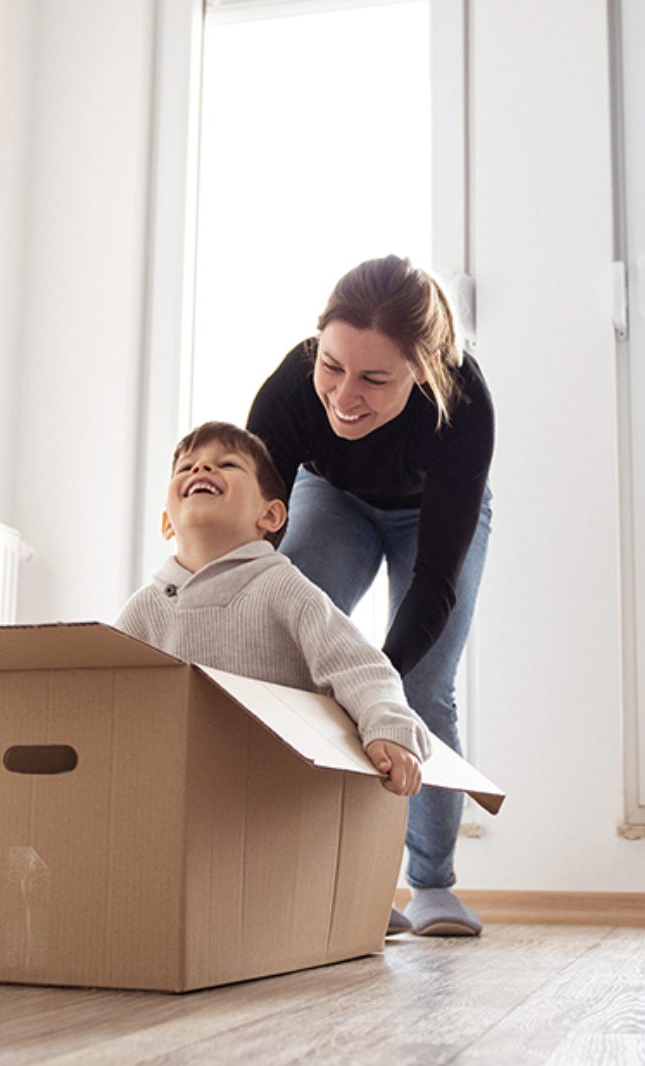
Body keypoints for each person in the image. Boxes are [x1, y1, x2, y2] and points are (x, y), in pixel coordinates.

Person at [247, 255, 495, 937]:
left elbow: (436, 582)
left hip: (432, 515)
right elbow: (248, 544)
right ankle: (336, 877)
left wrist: (377, 685)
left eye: (375, 378)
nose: (344, 395)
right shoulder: (292, 389)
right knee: (295, 661)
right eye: (333, 366)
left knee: (418, 687)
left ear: (423, 369)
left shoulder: (463, 404)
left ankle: (433, 883)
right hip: (333, 498)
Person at [116, 420, 431, 799]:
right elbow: (105, 692)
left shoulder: (283, 589)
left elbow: (359, 667)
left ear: (271, 516)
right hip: (178, 793)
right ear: (167, 523)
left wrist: (389, 729)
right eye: (187, 467)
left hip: (275, 796)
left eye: (227, 464)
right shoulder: (145, 608)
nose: (201, 469)